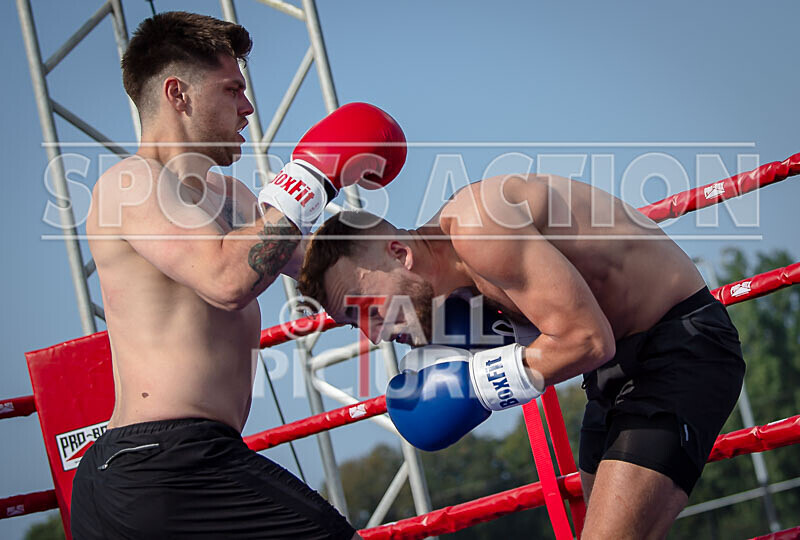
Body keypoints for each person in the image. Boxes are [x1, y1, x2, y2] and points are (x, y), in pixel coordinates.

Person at [71, 11, 405, 540]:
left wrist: (450, 292)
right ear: (178, 94)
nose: (248, 107)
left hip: (188, 460)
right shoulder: (129, 185)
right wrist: (312, 175)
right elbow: (227, 279)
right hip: (159, 464)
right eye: (232, 90)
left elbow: (336, 276)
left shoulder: (236, 202)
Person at [297, 173, 745, 539]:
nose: (374, 335)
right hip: (613, 374)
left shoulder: (478, 229)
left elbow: (588, 340)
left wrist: (475, 386)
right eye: (357, 323)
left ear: (400, 254)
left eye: (368, 309)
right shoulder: (447, 289)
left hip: (678, 344)